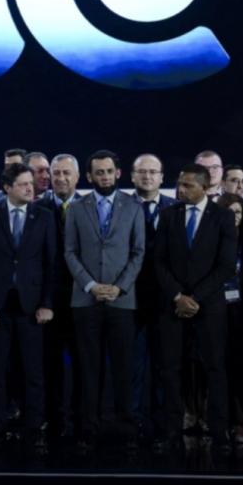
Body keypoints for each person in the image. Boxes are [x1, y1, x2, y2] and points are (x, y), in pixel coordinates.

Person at [154, 164, 237, 454]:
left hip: (209, 307)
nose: (180, 190)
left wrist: (194, 298)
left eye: (187, 185)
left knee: (215, 369)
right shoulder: (168, 215)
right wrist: (178, 296)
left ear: (204, 186)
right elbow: (158, 261)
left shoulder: (223, 217)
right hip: (172, 306)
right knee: (170, 369)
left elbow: (226, 266)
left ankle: (219, 433)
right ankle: (171, 432)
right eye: (180, 184)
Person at [65, 150, 144, 451]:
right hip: (85, 300)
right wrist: (90, 285)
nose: (105, 176)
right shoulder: (76, 208)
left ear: (118, 173)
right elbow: (70, 252)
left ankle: (126, 426)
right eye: (99, 172)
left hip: (122, 301)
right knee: (88, 367)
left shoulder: (134, 206)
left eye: (109, 171)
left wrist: (119, 288)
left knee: (124, 367)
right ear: (89, 176)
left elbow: (138, 252)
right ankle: (89, 426)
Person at [0, 163, 56, 448]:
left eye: (30, 183)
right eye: (23, 184)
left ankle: (35, 427)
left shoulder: (44, 216)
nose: (30, 188)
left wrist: (47, 303)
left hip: (32, 307)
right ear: (7, 188)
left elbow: (51, 264)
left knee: (34, 371)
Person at [129, 153, 176, 439]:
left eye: (153, 172)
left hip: (166, 301)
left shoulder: (176, 208)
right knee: (132, 366)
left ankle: (162, 424)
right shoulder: (121, 207)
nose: (147, 176)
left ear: (161, 177)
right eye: (142, 171)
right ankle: (132, 422)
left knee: (164, 366)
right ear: (132, 176)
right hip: (130, 299)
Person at [36, 153, 81, 437]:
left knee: (83, 363)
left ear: (77, 177)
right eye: (56, 173)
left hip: (82, 299)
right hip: (48, 301)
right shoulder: (37, 208)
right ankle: (53, 419)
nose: (61, 178)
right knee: (49, 363)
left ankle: (80, 419)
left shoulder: (90, 207)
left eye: (66, 173)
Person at [216, 193, 243, 445]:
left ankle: (242, 422)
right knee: (218, 368)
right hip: (216, 311)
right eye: (229, 213)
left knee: (242, 368)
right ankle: (221, 421)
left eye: (238, 212)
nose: (234, 217)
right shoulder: (212, 239)